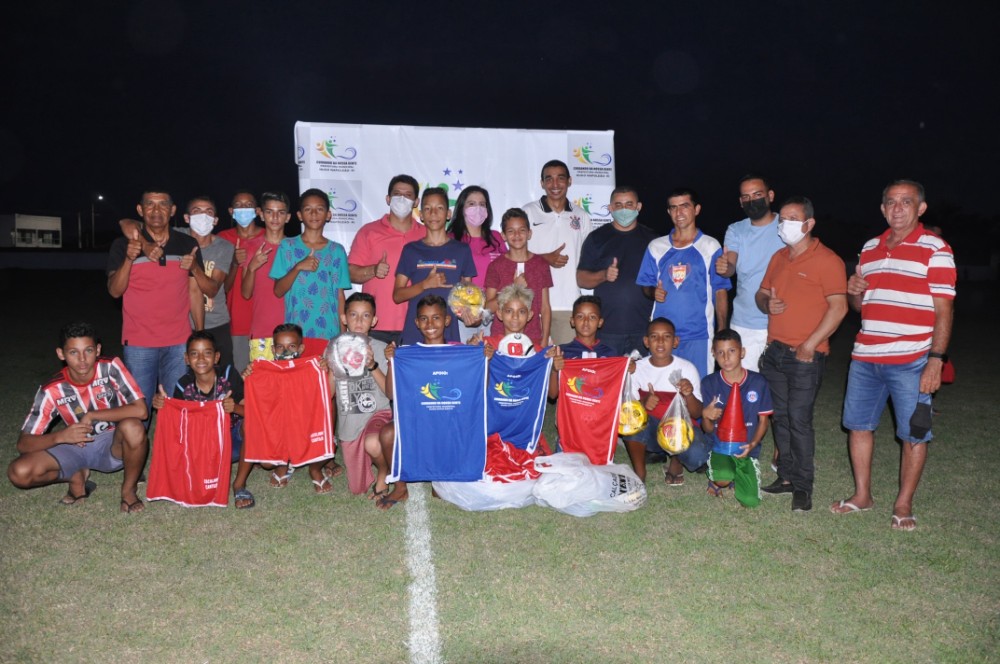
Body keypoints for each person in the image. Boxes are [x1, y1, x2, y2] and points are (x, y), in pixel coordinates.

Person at [832, 180, 956, 531]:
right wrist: (853, 291)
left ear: (921, 208)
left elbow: (944, 309)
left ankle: (903, 503)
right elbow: (862, 305)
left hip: (913, 358)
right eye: (891, 202)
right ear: (883, 208)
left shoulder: (936, 248)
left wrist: (936, 359)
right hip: (866, 356)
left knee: (914, 433)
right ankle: (862, 496)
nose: (898, 208)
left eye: (906, 202)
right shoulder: (870, 248)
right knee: (858, 426)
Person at [756, 197, 847, 512]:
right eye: (782, 218)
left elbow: (840, 307)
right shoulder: (779, 257)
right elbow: (761, 293)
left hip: (806, 356)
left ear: (809, 224)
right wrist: (767, 304)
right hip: (775, 353)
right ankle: (785, 477)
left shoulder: (828, 260)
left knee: (799, 420)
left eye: (792, 218)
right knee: (780, 418)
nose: (784, 224)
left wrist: (810, 344)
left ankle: (803, 487)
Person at [8, 322, 148, 513]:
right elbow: (23, 444)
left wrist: (92, 415)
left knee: (133, 426)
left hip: (112, 445)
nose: (82, 359)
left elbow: (141, 411)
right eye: (73, 352)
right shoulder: (52, 390)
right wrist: (61, 437)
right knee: (19, 472)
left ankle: (128, 491)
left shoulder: (110, 368)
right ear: (61, 354)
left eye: (88, 350)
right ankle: (76, 476)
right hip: (74, 448)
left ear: (98, 349)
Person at [108, 189, 206, 419]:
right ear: (140, 210)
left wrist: (199, 334)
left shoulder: (187, 243)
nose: (156, 210)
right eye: (150, 204)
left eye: (163, 205)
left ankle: (174, 454)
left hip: (179, 341)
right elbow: (115, 291)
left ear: (172, 211)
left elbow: (194, 292)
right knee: (139, 411)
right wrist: (129, 259)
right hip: (139, 342)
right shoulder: (123, 244)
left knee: (176, 407)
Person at [637, 188, 731, 376]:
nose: (679, 213)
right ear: (668, 212)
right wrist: (652, 292)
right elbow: (645, 286)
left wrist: (721, 332)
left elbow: (720, 292)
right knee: (662, 392)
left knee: (698, 392)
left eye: (684, 206)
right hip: (662, 337)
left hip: (699, 336)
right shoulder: (656, 247)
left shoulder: (710, 246)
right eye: (673, 208)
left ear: (696, 209)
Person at [150, 330, 249, 508]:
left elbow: (252, 411)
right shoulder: (183, 384)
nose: (201, 359)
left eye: (207, 353)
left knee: (251, 425)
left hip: (230, 441)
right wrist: (163, 406)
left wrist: (235, 407)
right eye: (194, 354)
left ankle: (239, 484)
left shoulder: (228, 375)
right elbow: (178, 427)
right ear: (186, 358)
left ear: (217, 357)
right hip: (200, 448)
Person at [245, 323, 341, 493]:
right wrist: (249, 378)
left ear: (301, 348)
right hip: (281, 428)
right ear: (273, 349)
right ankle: (283, 464)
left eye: (292, 346)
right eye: (281, 347)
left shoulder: (314, 367)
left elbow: (328, 397)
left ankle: (315, 470)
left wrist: (326, 372)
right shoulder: (265, 370)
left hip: (304, 426)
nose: (287, 351)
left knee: (327, 445)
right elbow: (258, 405)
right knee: (266, 463)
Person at [622, 318, 710, 485]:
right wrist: (643, 402)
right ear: (646, 342)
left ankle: (676, 459)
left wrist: (689, 394)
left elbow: (697, 413)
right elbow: (627, 410)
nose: (660, 341)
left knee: (698, 457)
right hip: (652, 430)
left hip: (680, 429)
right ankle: (639, 472)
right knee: (630, 421)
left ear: (675, 341)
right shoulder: (637, 368)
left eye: (667, 336)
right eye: (654, 336)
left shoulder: (687, 368)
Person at [577, 186, 659, 356]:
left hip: (644, 330)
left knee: (642, 383)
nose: (624, 210)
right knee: (608, 382)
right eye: (619, 205)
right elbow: (581, 279)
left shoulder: (653, 240)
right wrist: (604, 275)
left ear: (639, 207)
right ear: (611, 208)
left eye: (629, 204)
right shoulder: (597, 238)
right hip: (607, 330)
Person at [716, 175, 786, 372]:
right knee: (745, 385)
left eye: (757, 194)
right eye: (745, 197)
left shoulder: (786, 226)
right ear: (740, 202)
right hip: (744, 322)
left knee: (778, 387)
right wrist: (724, 267)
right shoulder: (736, 229)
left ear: (770, 195)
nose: (751, 200)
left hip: (782, 319)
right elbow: (730, 264)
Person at [349, 175, 427, 346]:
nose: (402, 199)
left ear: (416, 202)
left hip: (419, 325)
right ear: (388, 199)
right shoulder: (369, 232)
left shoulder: (426, 234)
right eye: (397, 194)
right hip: (376, 323)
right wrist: (373, 270)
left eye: (408, 195)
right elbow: (350, 273)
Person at [393, 187, 477, 345]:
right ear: (421, 216)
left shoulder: (462, 250)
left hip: (448, 332)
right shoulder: (411, 250)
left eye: (439, 208)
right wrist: (425, 284)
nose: (433, 213)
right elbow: (397, 295)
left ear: (448, 214)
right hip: (415, 332)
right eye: (427, 209)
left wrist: (472, 314)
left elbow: (469, 294)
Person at [700, 329, 773, 508]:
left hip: (746, 449)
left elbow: (764, 421)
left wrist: (753, 444)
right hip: (720, 447)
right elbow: (708, 429)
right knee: (722, 479)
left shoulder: (758, 382)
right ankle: (722, 476)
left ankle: (741, 472)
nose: (726, 358)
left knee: (750, 501)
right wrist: (706, 416)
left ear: (742, 352)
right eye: (720, 352)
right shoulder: (709, 383)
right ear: (713, 354)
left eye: (732, 351)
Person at [523, 159, 593, 345]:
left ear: (569, 181)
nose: (555, 185)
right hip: (532, 305)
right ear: (542, 183)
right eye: (549, 179)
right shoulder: (528, 212)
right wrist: (544, 258)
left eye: (560, 179)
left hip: (569, 304)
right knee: (534, 365)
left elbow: (590, 259)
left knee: (565, 367)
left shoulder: (581, 216)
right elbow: (515, 256)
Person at [331, 293, 393, 498]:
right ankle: (369, 464)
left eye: (366, 316)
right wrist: (329, 369)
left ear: (374, 321)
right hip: (350, 420)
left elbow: (389, 393)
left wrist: (372, 365)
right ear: (344, 318)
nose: (359, 321)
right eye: (354, 315)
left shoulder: (381, 349)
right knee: (357, 489)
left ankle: (384, 471)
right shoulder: (332, 348)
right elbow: (329, 393)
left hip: (378, 412)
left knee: (373, 443)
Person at [270, 188, 351, 341]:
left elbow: (340, 295)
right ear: (300, 215)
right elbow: (278, 291)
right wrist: (298, 267)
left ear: (328, 215)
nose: (314, 214)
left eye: (319, 209)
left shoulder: (337, 251)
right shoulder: (287, 246)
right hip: (296, 333)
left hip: (329, 331)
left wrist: (343, 334)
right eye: (308, 209)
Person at [177, 195, 236, 369]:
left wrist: (195, 267)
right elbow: (138, 226)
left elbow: (212, 290)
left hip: (216, 324)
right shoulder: (175, 237)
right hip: (180, 327)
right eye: (197, 211)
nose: (203, 216)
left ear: (215, 220)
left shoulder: (224, 247)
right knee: (186, 379)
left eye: (209, 212)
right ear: (187, 218)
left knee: (223, 378)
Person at [483, 208, 553, 349]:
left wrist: (545, 338)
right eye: (511, 231)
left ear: (529, 233)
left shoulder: (541, 265)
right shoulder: (495, 266)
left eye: (521, 230)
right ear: (503, 235)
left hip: (533, 338)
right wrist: (511, 288)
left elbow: (545, 307)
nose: (516, 235)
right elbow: (488, 307)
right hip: (501, 338)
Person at [449, 185, 506, 342]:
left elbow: (507, 271)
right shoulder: (451, 239)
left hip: (495, 313)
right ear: (461, 208)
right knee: (467, 361)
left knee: (492, 362)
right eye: (472, 204)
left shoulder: (496, 238)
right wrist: (467, 310)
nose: (478, 208)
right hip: (464, 315)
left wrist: (489, 308)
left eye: (482, 204)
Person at [242, 192, 291, 360]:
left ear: (288, 217)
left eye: (281, 212)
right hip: (262, 331)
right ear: (261, 215)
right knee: (263, 384)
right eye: (269, 212)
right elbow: (246, 294)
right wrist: (252, 268)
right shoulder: (250, 247)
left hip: (292, 333)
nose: (275, 217)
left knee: (290, 385)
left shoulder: (296, 248)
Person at [219, 190, 263, 372]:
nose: (243, 209)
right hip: (237, 320)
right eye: (238, 205)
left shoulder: (270, 237)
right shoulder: (222, 239)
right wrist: (234, 264)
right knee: (242, 376)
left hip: (266, 321)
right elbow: (222, 287)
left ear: (258, 210)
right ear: (231, 211)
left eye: (248, 205)